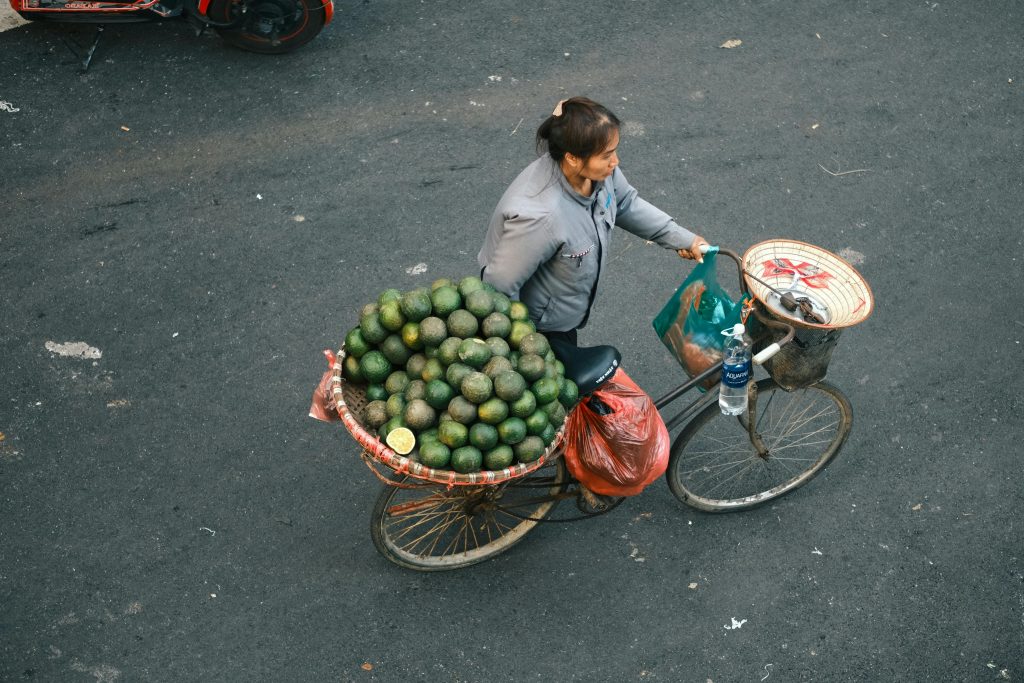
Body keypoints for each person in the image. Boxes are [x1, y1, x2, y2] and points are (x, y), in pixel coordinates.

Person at [478, 96, 710, 346]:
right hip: (539, 333)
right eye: (607, 155)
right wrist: (524, 346)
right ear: (572, 158)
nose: (616, 161)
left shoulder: (599, 173)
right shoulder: (540, 218)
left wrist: (683, 239)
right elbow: (498, 289)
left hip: (564, 319)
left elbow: (625, 204)